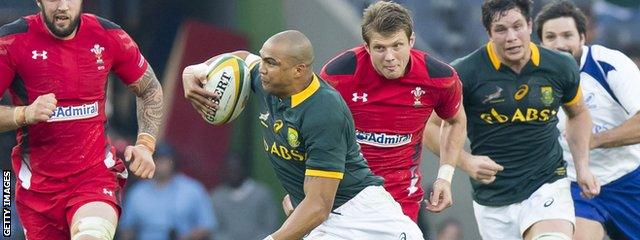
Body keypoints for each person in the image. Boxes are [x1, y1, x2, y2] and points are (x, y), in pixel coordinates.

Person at [182, 30, 424, 240]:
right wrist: (196, 70)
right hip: (324, 220)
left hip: (363, 218)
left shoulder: (324, 111)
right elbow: (243, 59)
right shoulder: (268, 81)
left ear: (298, 70)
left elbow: (319, 205)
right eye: (263, 60)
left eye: (271, 63)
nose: (262, 69)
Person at [424, 0, 600, 239]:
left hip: (547, 184)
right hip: (494, 199)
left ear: (529, 25)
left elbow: (578, 114)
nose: (511, 37)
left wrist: (582, 167)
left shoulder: (560, 66)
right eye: (501, 30)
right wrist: (466, 162)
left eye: (518, 26)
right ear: (488, 33)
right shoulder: (465, 73)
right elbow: (431, 129)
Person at [0, 0, 164, 239]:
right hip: (38, 194)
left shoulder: (108, 35)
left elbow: (150, 89)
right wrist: (23, 114)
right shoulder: (12, 41)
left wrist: (145, 144)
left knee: (91, 235)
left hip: (94, 178)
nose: (63, 6)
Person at [319, 1, 466, 222]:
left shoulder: (439, 78)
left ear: (411, 41)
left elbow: (455, 121)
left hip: (400, 202)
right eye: (380, 48)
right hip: (344, 198)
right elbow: (315, 131)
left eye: (397, 45)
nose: (389, 57)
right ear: (367, 47)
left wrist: (445, 177)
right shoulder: (339, 75)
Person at [535, 1, 640, 239]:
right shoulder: (531, 81)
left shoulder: (609, 65)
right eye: (550, 37)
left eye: (567, 35)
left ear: (583, 37)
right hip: (575, 188)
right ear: (540, 43)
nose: (559, 44)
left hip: (629, 180)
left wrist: (591, 141)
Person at [119, 142, 216, 240]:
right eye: (157, 159)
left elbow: (207, 225)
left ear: (174, 162)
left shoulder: (192, 189)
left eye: (165, 160)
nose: (160, 164)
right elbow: (127, 228)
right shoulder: (138, 191)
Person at [211, 155, 279, 240]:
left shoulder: (262, 194)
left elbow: (271, 227)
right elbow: (214, 230)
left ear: (244, 169)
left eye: (236, 169)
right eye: (229, 170)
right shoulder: (217, 197)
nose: (232, 173)